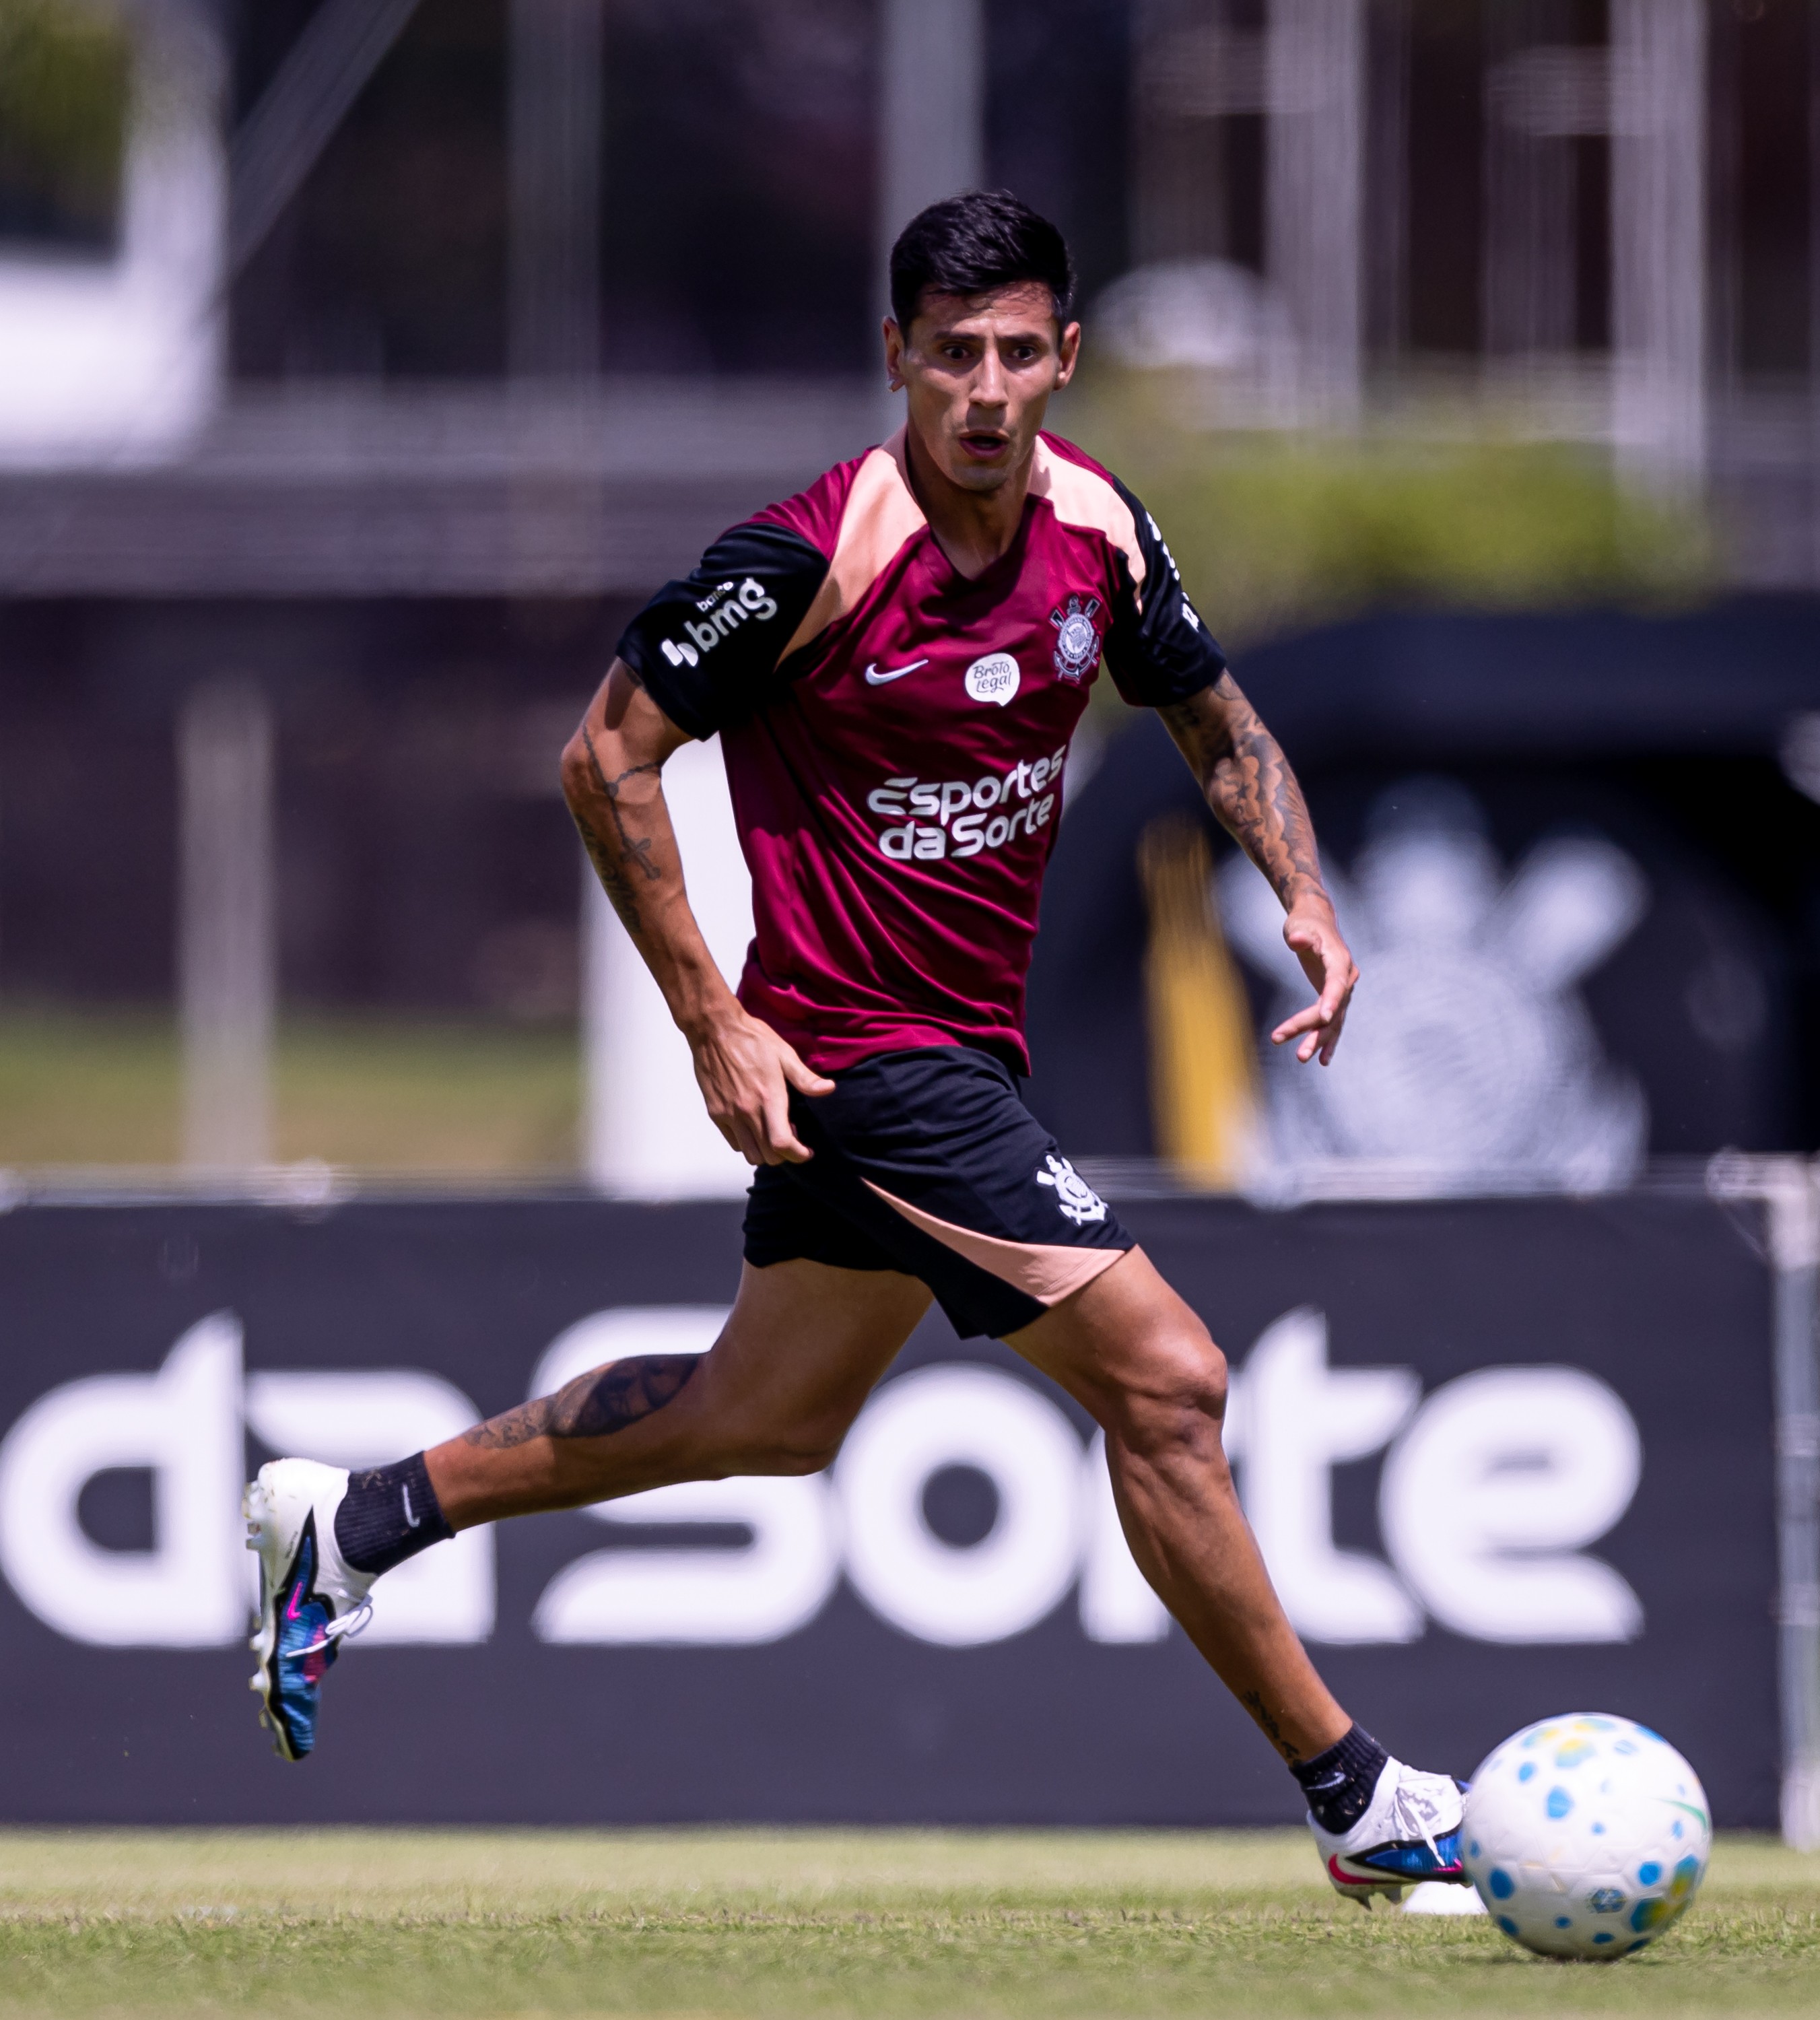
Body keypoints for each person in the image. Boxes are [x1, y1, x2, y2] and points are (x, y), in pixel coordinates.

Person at [244, 190, 1466, 1904]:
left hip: (957, 1054)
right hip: (863, 1059)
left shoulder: (1098, 528)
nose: (984, 387)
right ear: (895, 357)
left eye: (1017, 352)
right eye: (950, 353)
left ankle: (358, 1519)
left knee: (763, 1417)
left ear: (1062, 359)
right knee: (1171, 1384)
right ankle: (1354, 1801)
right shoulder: (810, 558)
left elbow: (1210, 710)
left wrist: (1307, 901)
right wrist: (707, 1018)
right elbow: (605, 759)